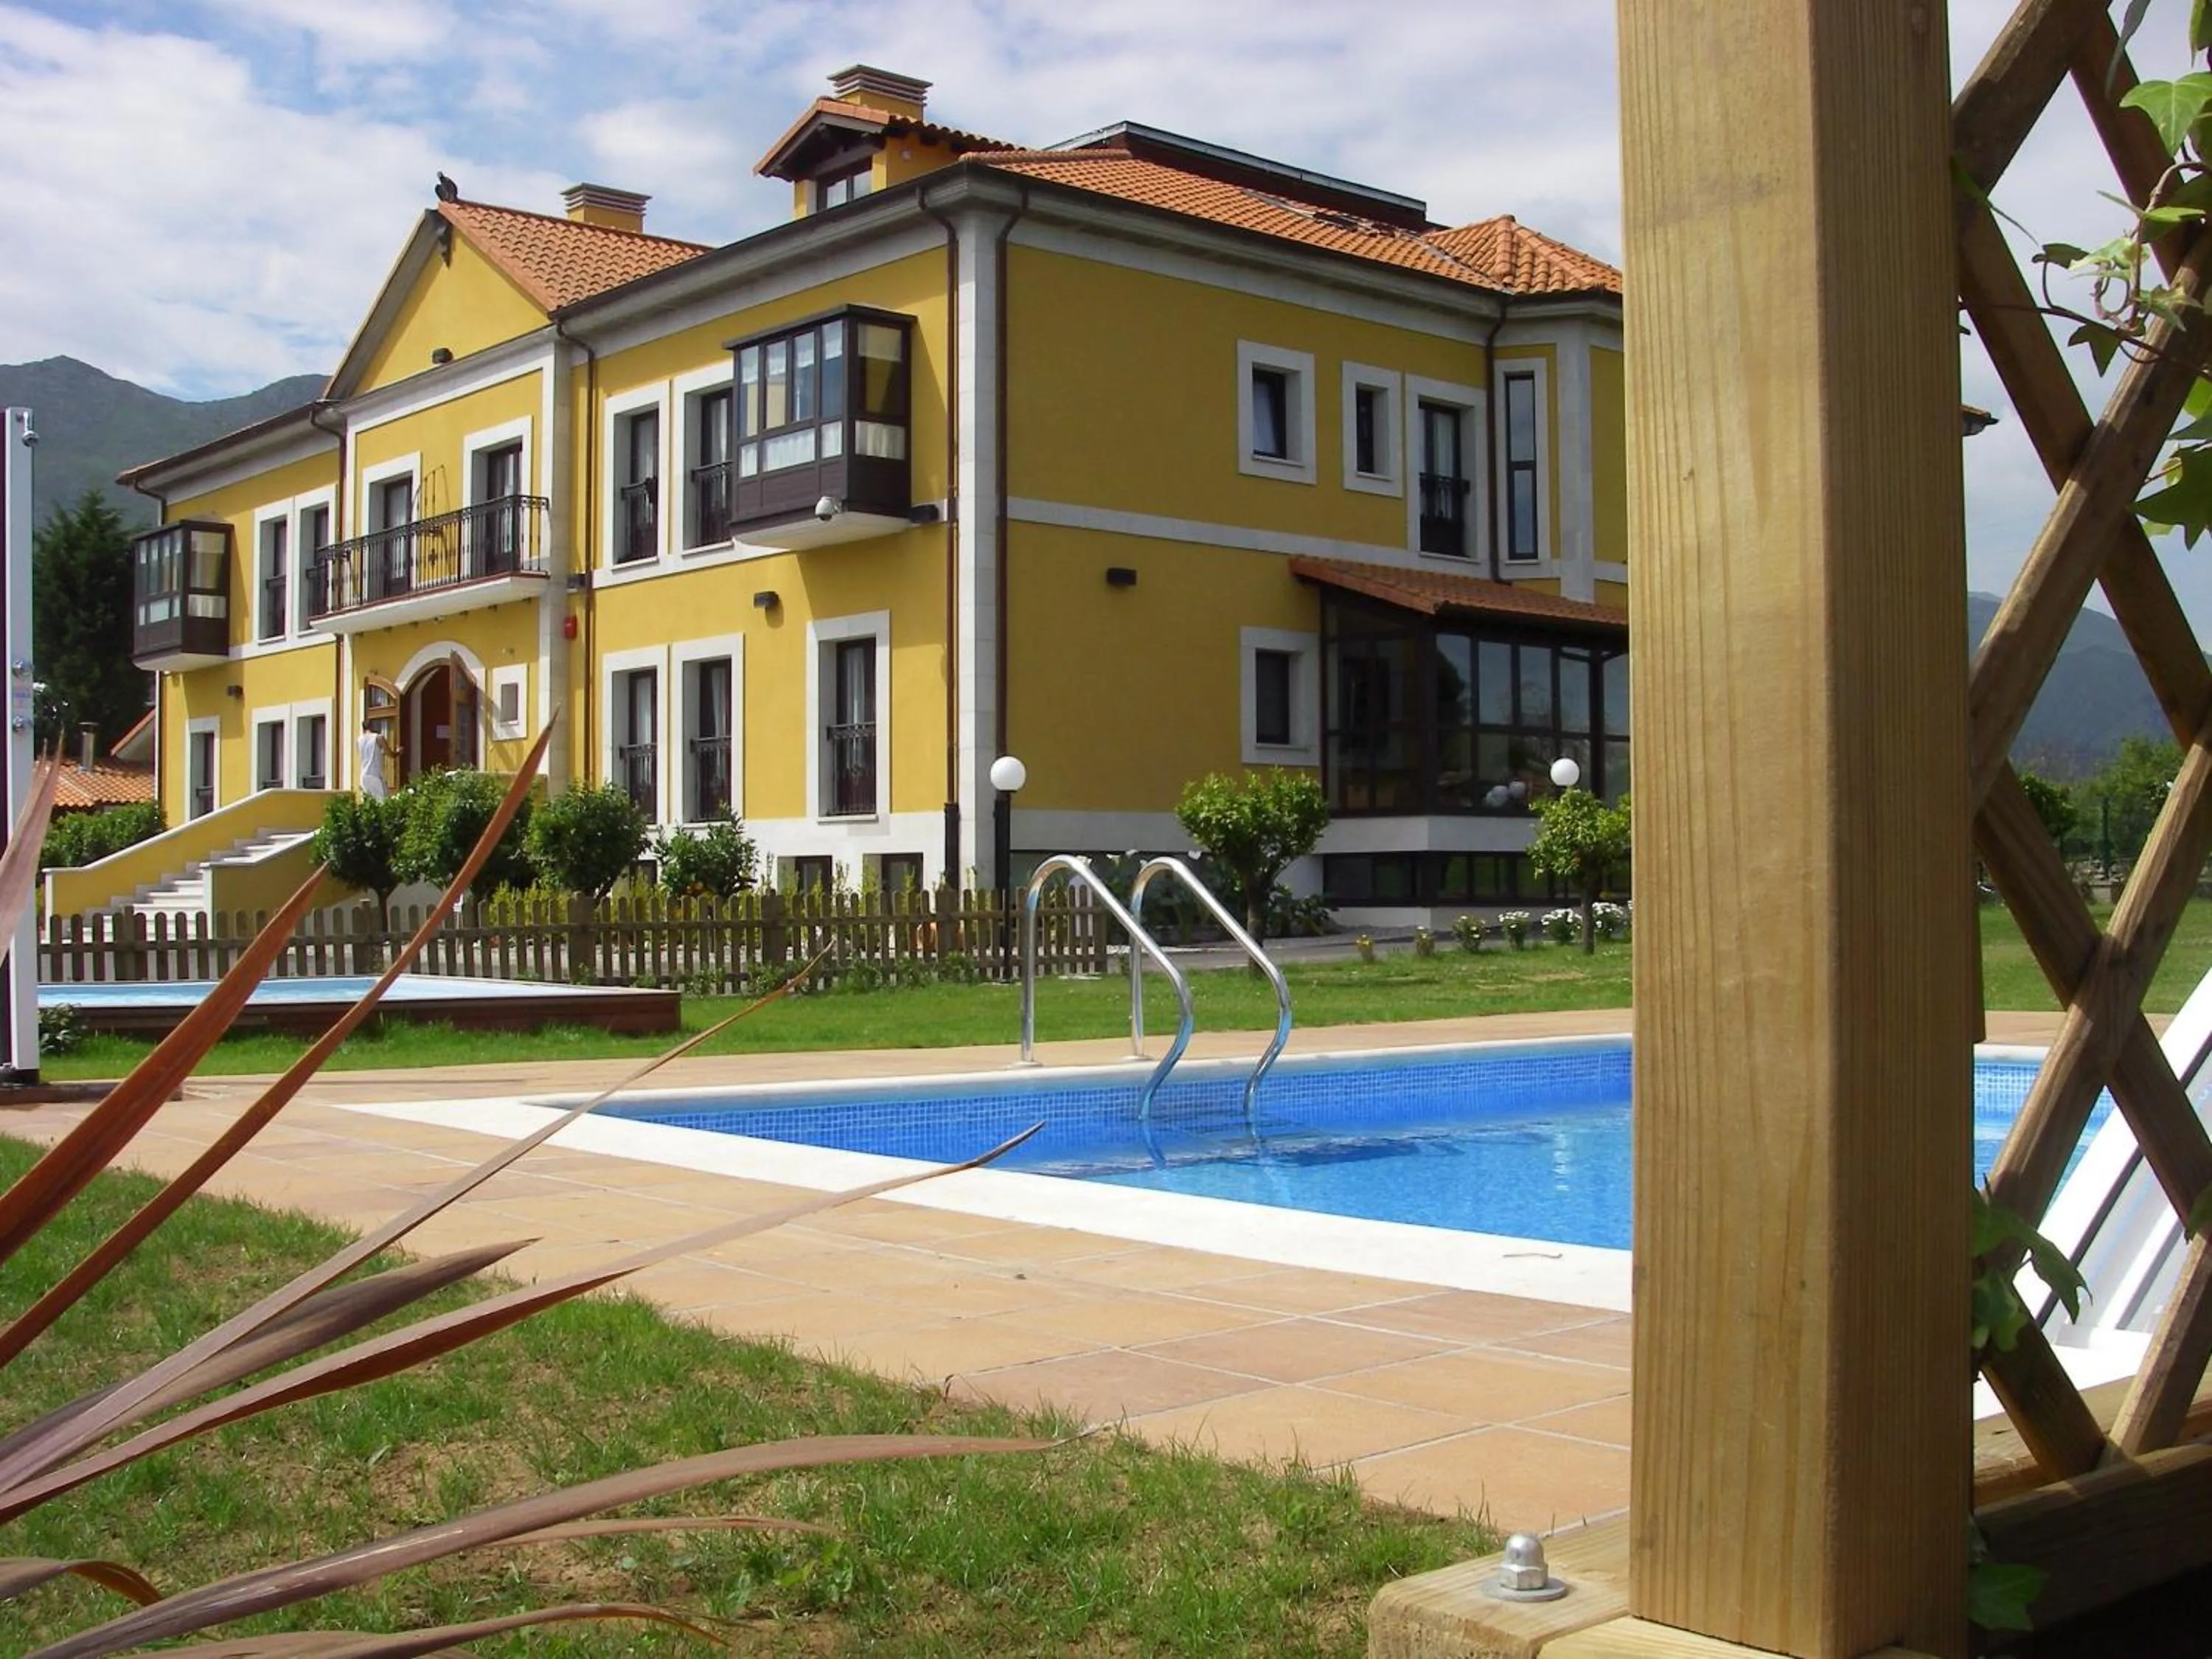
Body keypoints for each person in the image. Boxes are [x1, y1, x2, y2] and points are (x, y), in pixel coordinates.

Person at [357, 722, 391, 801]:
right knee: (383, 802)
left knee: (370, 802)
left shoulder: (359, 740)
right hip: (375, 775)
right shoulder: (378, 738)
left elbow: (366, 755)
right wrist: (398, 752)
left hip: (364, 776)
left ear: (363, 728)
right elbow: (390, 753)